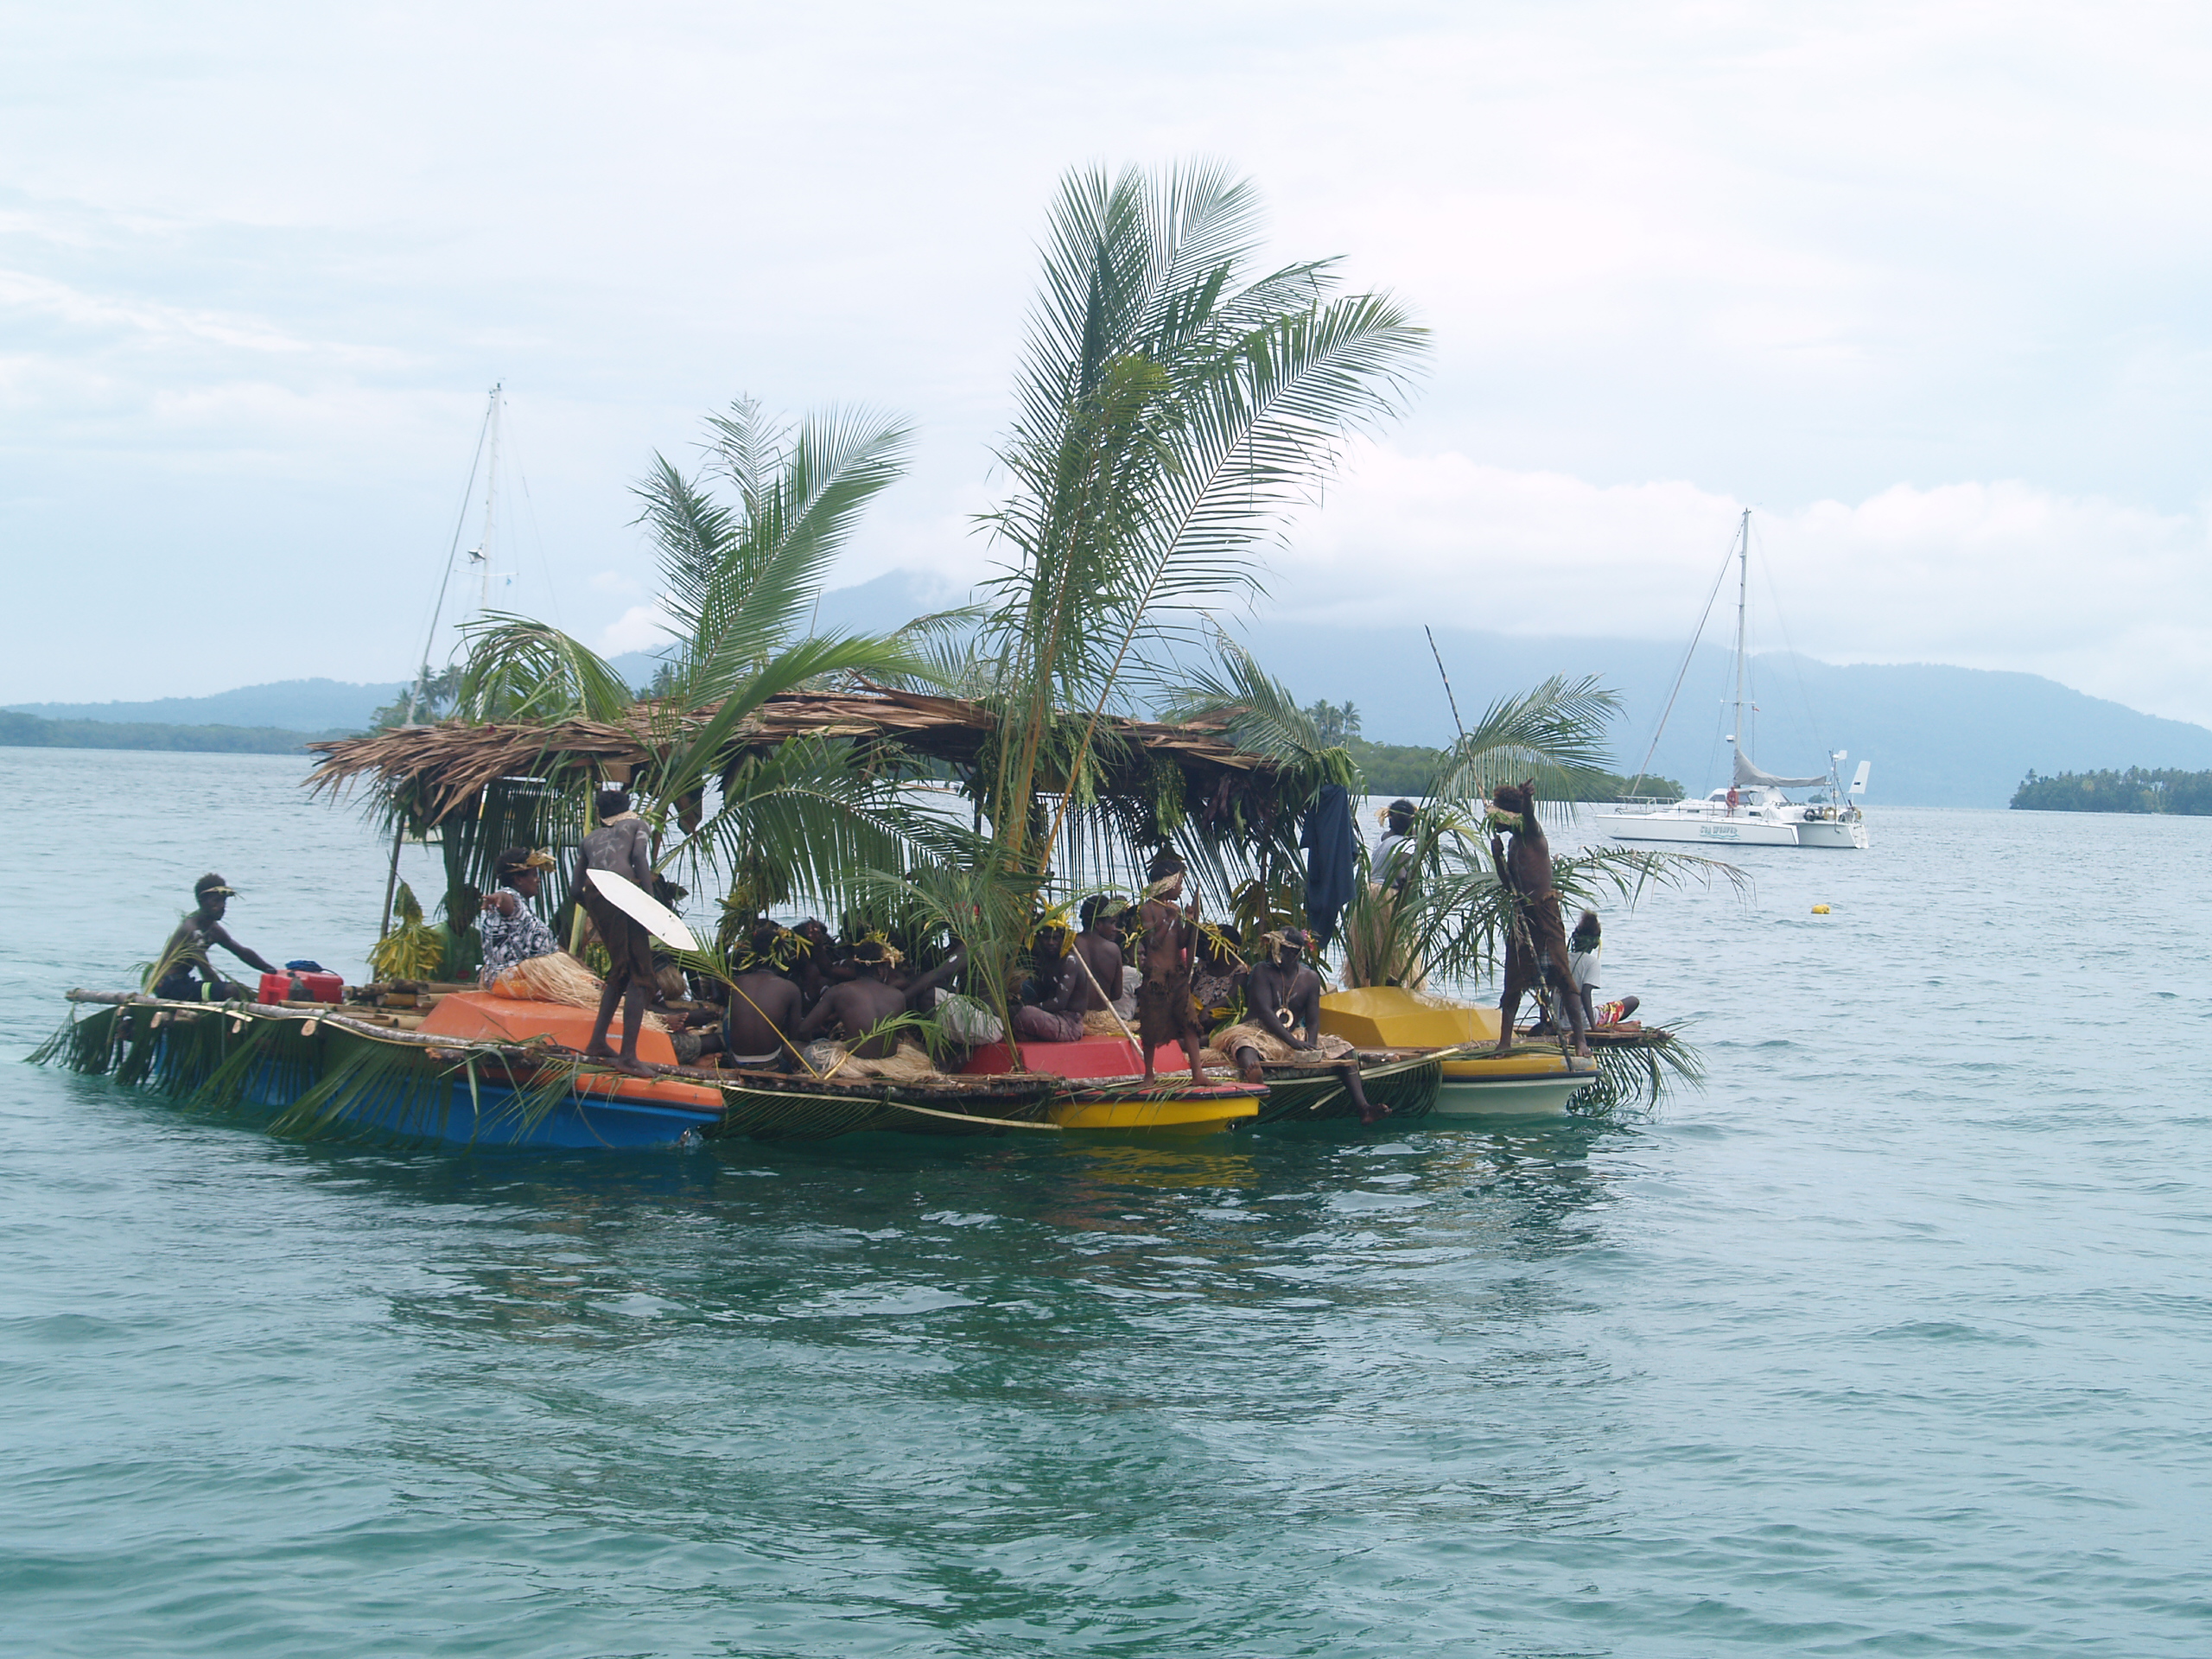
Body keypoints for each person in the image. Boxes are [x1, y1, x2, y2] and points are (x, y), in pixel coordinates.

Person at [1215, 928, 1382, 1123]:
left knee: (1344, 1049)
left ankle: (1364, 1108)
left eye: (1278, 947)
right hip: (1258, 1030)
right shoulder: (1262, 970)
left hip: (1294, 1034)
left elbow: (1313, 1020)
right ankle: (1255, 1078)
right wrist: (1293, 1044)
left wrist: (1311, 1048)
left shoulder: (1310, 978)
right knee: (1244, 1045)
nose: (1271, 951)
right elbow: (1264, 1012)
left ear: (1293, 953)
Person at [1489, 780, 1591, 1058]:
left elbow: (1530, 817)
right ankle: (1505, 1042)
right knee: (1513, 983)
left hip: (1545, 914)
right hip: (1522, 917)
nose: (1493, 823)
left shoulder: (1532, 835)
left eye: (1497, 816)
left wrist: (1527, 800)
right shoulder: (1511, 843)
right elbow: (1508, 883)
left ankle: (1580, 1040)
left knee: (1562, 976)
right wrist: (1497, 858)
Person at [574, 787, 658, 1075]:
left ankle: (598, 1042)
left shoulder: (589, 839)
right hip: (624, 896)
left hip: (597, 897)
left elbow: (575, 889)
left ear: (600, 813)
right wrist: (650, 904)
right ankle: (628, 1057)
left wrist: (598, 913)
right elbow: (639, 859)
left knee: (620, 971)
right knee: (639, 975)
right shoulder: (638, 825)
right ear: (627, 807)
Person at [793, 938, 934, 1078]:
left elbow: (803, 1028)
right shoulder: (897, 995)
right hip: (892, 1063)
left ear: (855, 966)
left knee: (791, 1047)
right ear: (880, 969)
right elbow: (900, 1038)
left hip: (854, 1065)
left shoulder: (839, 991)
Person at [1135, 849, 1208, 1085]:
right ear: (1168, 883)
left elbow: (1184, 942)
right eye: (1179, 883)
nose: (1182, 889)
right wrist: (1168, 918)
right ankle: (1149, 1074)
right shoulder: (1148, 909)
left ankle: (1198, 1074)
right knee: (1152, 1027)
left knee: (1189, 1023)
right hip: (1157, 977)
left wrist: (1189, 920)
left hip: (1177, 975)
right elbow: (1153, 941)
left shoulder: (1174, 910)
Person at [152, 874, 282, 1001]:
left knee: (234, 991)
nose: (222, 906)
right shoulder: (192, 929)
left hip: (184, 982)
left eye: (224, 901)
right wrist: (223, 991)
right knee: (232, 991)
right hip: (170, 986)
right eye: (216, 901)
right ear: (201, 901)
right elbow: (206, 970)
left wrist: (272, 971)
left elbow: (243, 953)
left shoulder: (213, 929)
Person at [717, 922, 804, 1071]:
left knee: (728, 1012)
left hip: (737, 1062)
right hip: (772, 1065)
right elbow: (794, 1036)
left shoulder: (738, 982)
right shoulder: (790, 988)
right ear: (781, 954)